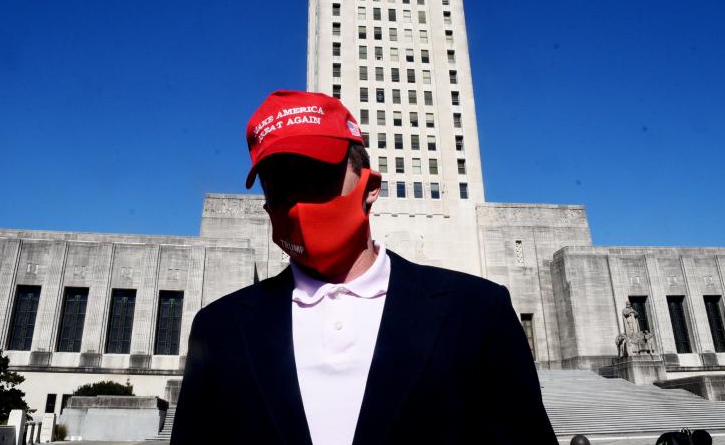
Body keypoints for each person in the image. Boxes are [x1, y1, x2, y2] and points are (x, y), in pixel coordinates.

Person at [170, 90, 558, 444]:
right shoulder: (219, 329)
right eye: (280, 184)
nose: (299, 202)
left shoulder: (477, 312)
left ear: (370, 187)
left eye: (316, 176)